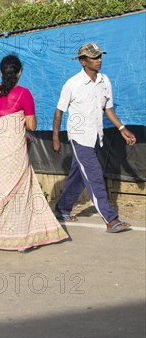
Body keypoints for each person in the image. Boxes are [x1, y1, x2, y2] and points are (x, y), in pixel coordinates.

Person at [0, 55, 69, 254]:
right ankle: (4, 235)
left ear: (0, 73)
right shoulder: (24, 94)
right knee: (19, 193)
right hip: (15, 153)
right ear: (19, 73)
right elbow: (32, 125)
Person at [52, 42, 136, 233]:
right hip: (79, 138)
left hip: (95, 136)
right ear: (83, 61)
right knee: (95, 175)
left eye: (100, 56)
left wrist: (122, 128)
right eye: (94, 57)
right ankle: (110, 219)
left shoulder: (104, 81)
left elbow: (108, 108)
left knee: (79, 176)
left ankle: (62, 208)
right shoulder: (73, 84)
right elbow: (59, 112)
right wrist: (56, 137)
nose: (99, 60)